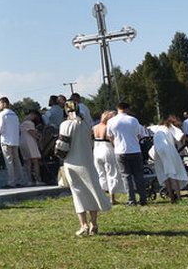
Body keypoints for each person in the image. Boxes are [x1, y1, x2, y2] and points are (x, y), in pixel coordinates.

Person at [56, 101, 111, 235]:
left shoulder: (65, 125)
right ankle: (94, 224)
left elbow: (62, 147)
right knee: (92, 191)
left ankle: (83, 225)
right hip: (87, 162)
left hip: (72, 163)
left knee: (78, 194)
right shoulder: (87, 125)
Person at [107, 100, 147, 205]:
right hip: (135, 150)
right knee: (138, 175)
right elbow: (139, 134)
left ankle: (131, 199)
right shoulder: (133, 120)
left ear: (118, 109)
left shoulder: (111, 121)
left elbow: (110, 137)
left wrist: (115, 145)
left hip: (120, 151)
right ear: (128, 109)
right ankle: (143, 198)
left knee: (126, 176)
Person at [149, 115, 188, 202]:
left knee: (165, 173)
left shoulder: (158, 127)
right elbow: (181, 135)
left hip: (158, 151)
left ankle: (171, 197)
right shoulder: (170, 126)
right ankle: (178, 197)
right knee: (173, 173)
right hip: (167, 149)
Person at [91, 110, 122, 204]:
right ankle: (112, 198)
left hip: (96, 150)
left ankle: (102, 196)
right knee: (111, 173)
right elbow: (112, 140)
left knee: (100, 174)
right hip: (107, 149)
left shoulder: (94, 127)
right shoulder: (108, 127)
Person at [0, 97, 24, 188]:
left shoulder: (2, 114)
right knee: (17, 160)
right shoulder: (14, 114)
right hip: (15, 140)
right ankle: (20, 180)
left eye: (0, 103)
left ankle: (11, 182)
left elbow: (0, 128)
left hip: (6, 140)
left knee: (9, 161)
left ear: (4, 104)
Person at [20, 109, 42, 185]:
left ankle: (30, 180)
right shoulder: (29, 123)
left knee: (28, 162)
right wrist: (38, 137)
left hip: (23, 142)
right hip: (30, 142)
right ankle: (38, 180)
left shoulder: (22, 123)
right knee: (35, 162)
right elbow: (32, 134)